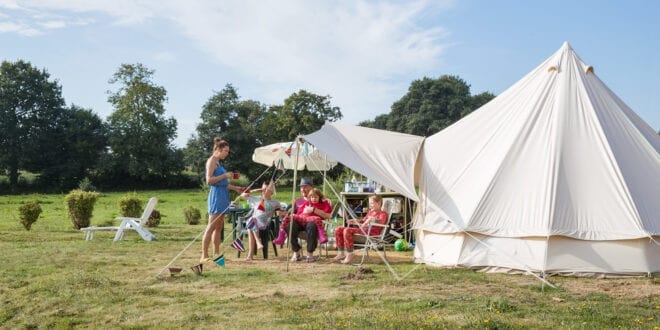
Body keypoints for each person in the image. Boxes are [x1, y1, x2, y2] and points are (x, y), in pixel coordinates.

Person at [200, 138, 244, 262]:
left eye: (228, 151)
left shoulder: (219, 163)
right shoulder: (211, 161)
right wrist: (224, 175)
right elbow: (209, 180)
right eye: (225, 151)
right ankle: (204, 255)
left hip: (223, 194)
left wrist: (236, 188)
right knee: (211, 226)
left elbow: (223, 184)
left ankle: (216, 254)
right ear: (218, 150)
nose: (227, 153)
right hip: (216, 196)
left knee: (219, 227)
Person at [278, 177, 331, 263]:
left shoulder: (322, 201)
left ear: (311, 187)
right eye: (301, 187)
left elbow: (328, 216)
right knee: (290, 225)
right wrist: (284, 214)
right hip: (300, 221)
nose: (303, 189)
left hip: (313, 223)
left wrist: (314, 210)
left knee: (312, 225)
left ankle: (309, 253)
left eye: (305, 186)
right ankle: (296, 252)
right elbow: (294, 214)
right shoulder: (298, 201)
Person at [334, 194, 387, 264]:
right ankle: (341, 253)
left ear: (379, 203)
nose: (370, 205)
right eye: (370, 203)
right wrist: (355, 220)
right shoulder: (370, 212)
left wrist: (371, 220)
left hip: (371, 234)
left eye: (372, 203)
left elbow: (381, 222)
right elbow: (363, 220)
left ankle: (350, 253)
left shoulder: (383, 214)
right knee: (338, 229)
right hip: (363, 231)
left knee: (347, 230)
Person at [239, 181, 281, 260]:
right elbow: (242, 195)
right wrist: (256, 190)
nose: (264, 191)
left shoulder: (275, 202)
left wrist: (280, 213)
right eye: (263, 189)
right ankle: (257, 244)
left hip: (263, 224)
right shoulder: (257, 199)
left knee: (251, 223)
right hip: (254, 223)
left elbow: (279, 212)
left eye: (266, 189)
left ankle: (252, 251)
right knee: (252, 222)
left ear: (272, 191)